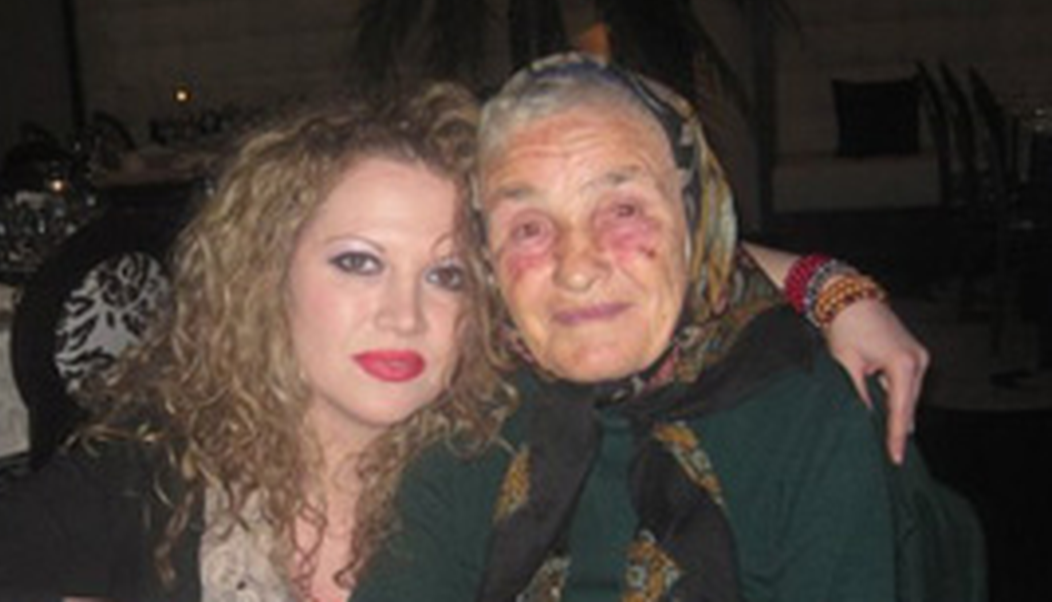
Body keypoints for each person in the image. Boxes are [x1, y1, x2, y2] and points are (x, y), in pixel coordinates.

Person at [0, 82, 929, 602]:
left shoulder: (509, 450)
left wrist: (825, 283)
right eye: (356, 262)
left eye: (445, 273)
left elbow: (607, 241)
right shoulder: (171, 475)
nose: (405, 315)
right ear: (266, 278)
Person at [350, 54, 974, 602]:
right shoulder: (476, 424)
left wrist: (830, 287)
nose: (577, 268)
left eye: (622, 210)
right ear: (489, 259)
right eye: (530, 228)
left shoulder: (807, 412)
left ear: (697, 222)